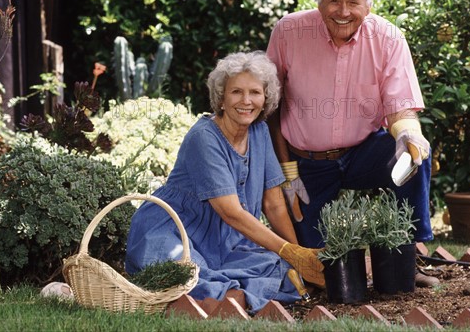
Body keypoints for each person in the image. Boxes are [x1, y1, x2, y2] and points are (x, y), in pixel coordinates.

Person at [266, 0, 437, 286]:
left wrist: (408, 135)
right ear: (319, 0)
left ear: (368, 4)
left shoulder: (388, 37)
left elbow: (401, 109)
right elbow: (269, 109)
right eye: (334, 1)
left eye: (353, 3)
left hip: (362, 152)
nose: (342, 12)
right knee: (319, 269)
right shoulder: (288, 31)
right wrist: (285, 173)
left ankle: (408, 259)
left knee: (413, 155)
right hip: (306, 163)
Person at [125, 51, 324, 314]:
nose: (246, 101)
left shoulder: (260, 131)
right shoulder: (204, 137)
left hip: (227, 242)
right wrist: (289, 252)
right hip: (173, 233)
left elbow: (273, 203)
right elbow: (231, 213)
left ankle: (224, 300)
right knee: (184, 273)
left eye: (255, 92)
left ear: (266, 98)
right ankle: (219, 302)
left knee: (283, 268)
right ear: (221, 97)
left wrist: (296, 255)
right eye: (236, 92)